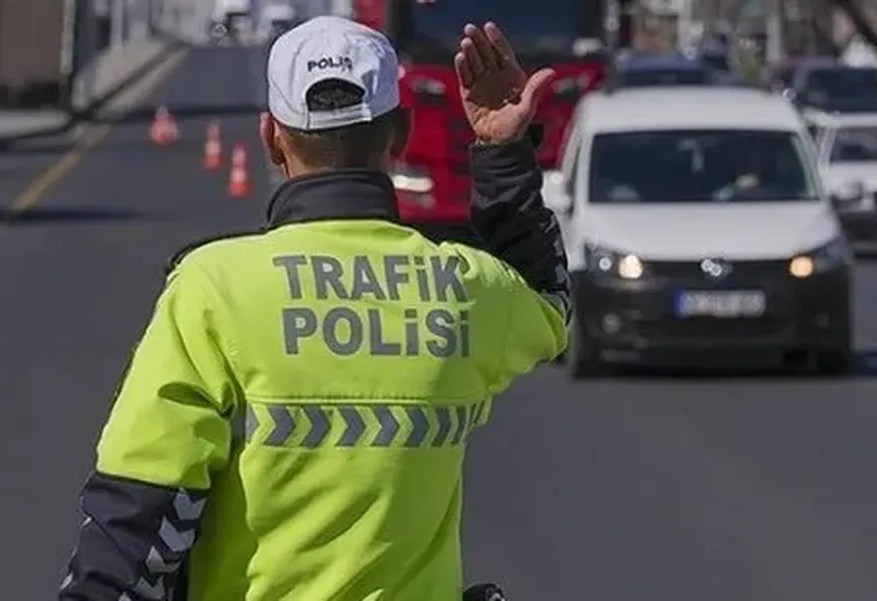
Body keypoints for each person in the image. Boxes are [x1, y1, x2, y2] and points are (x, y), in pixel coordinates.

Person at [58, 16, 568, 601]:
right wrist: (501, 151)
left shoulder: (214, 288)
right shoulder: (464, 287)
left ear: (272, 137)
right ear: (399, 135)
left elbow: (136, 513)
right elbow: (550, 302)